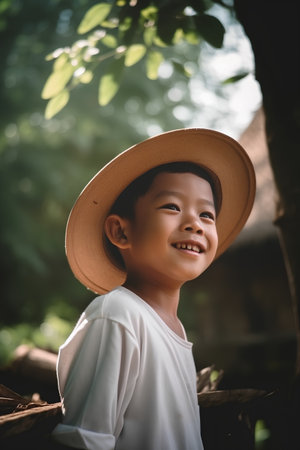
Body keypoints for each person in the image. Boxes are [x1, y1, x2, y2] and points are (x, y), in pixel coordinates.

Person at [52, 128, 256, 450]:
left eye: (206, 214)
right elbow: (84, 439)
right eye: (172, 207)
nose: (195, 223)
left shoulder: (173, 327)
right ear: (120, 231)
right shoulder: (117, 314)